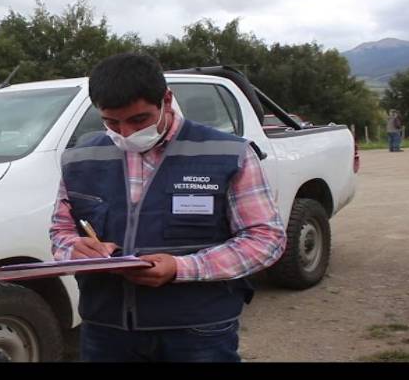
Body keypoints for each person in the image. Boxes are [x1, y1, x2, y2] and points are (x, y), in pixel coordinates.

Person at [49, 52, 286, 362]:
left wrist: (181, 268)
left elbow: (265, 239)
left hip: (197, 331)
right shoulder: (81, 159)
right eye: (111, 122)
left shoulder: (228, 153)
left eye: (138, 119)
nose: (125, 133)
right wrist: (73, 249)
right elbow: (61, 231)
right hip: (106, 330)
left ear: (167, 100)